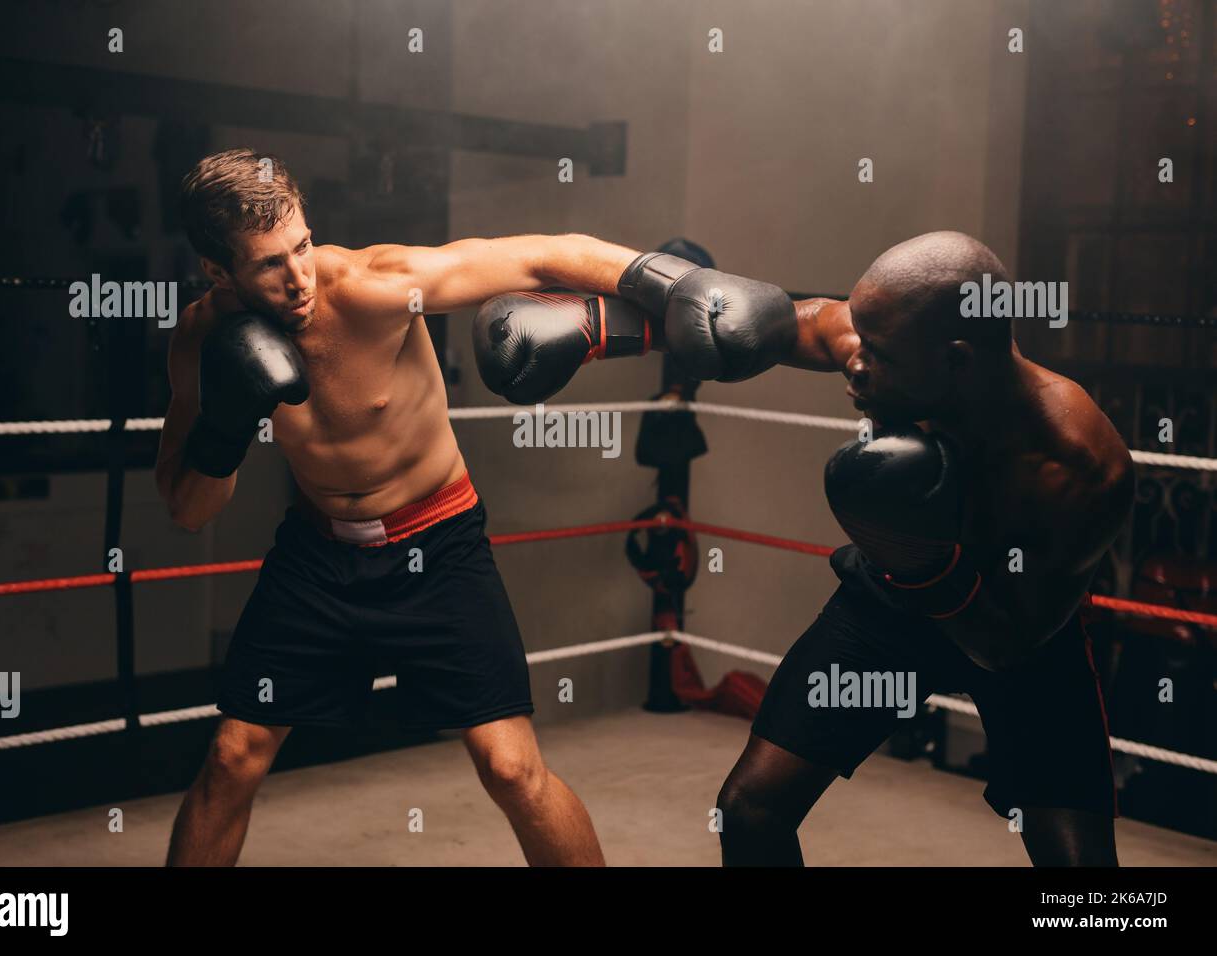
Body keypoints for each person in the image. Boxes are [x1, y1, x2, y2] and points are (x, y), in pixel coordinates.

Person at [157, 148, 789, 865]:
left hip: (438, 543)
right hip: (319, 556)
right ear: (218, 272)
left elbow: (545, 256)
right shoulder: (199, 342)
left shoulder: (372, 285)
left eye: (302, 245)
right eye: (269, 263)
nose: (298, 275)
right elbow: (188, 509)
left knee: (511, 767)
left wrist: (682, 285)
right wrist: (225, 426)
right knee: (231, 757)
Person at [477, 230, 1133, 866]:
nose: (853, 361)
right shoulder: (894, 338)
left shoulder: (1077, 463)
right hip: (890, 606)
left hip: (1019, 626)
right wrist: (604, 327)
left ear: (957, 360)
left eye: (877, 356)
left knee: (1080, 872)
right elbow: (748, 321)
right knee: (750, 809)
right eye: (859, 339)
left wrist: (924, 560)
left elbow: (1006, 642)